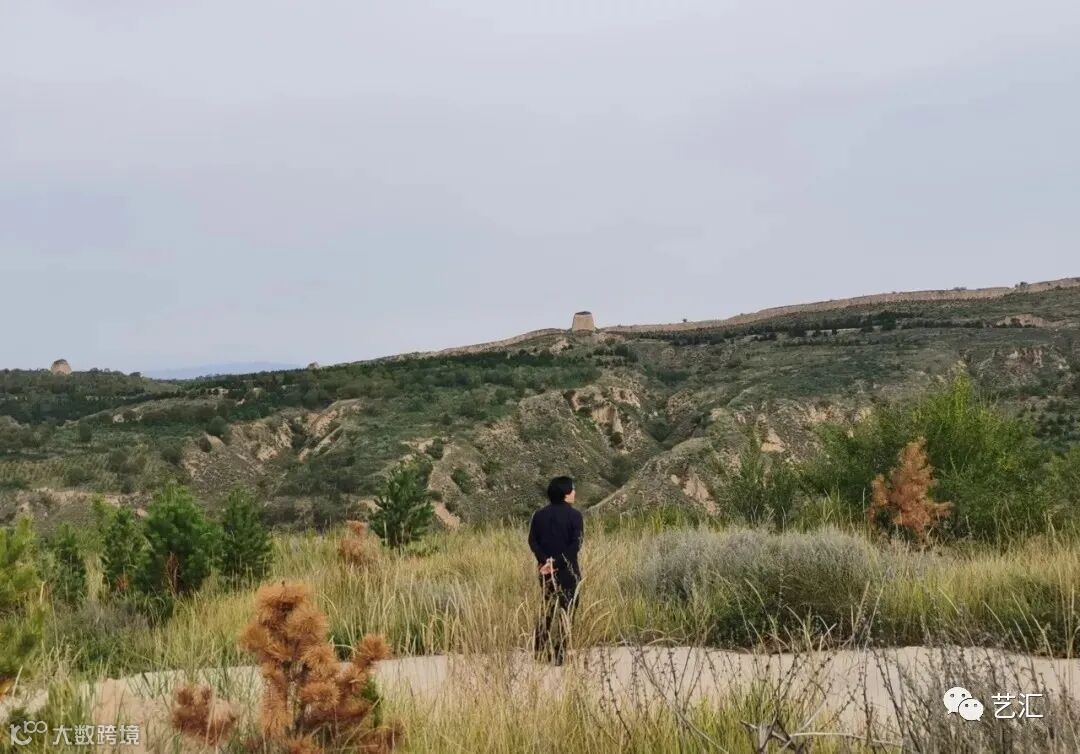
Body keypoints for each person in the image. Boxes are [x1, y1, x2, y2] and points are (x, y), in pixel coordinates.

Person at [528, 475, 583, 665]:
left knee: (547, 609)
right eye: (572, 489)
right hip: (568, 571)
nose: (574, 492)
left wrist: (545, 561)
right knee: (567, 612)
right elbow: (576, 545)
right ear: (565, 493)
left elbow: (532, 541)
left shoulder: (539, 515)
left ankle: (540, 652)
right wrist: (557, 563)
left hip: (545, 571)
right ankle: (560, 654)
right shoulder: (575, 516)